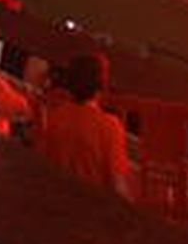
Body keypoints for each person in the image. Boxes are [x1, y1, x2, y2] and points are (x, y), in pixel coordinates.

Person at [40, 53, 130, 197]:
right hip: (92, 209)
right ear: (102, 84)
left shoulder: (56, 116)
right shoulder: (110, 126)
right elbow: (118, 186)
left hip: (58, 199)